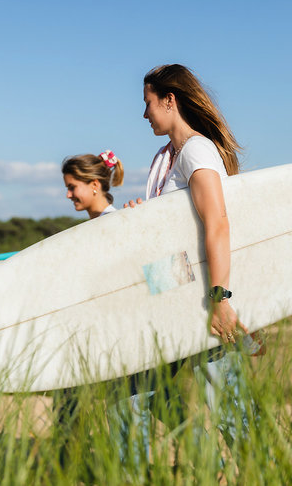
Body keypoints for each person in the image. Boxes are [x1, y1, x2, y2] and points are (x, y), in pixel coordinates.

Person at [124, 64, 262, 458]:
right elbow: (171, 228)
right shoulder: (165, 157)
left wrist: (220, 298)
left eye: (148, 103)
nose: (144, 113)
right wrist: (142, 214)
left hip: (200, 296)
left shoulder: (197, 150)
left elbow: (217, 222)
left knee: (231, 411)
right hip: (169, 293)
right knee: (135, 395)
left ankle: (268, 473)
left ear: (170, 100)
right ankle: (202, 464)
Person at [54, 149, 124, 467]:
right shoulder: (88, 230)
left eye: (73, 187)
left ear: (94, 184)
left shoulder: (116, 226)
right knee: (69, 398)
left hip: (115, 339)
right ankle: (69, 464)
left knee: (147, 403)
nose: (68, 194)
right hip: (93, 338)